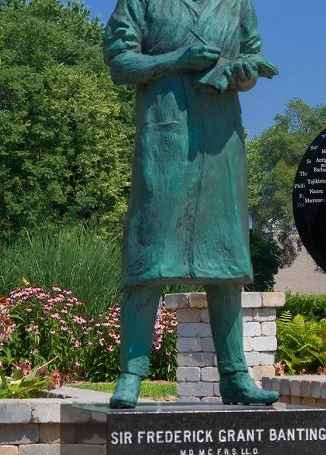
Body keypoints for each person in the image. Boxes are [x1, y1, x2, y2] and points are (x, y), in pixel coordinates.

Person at [103, 0, 279, 408]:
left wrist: (244, 72)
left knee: (227, 264)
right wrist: (178, 59)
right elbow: (120, 64)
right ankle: (131, 374)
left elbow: (251, 54)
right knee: (148, 260)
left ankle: (235, 377)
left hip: (220, 140)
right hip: (165, 139)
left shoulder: (237, 3)